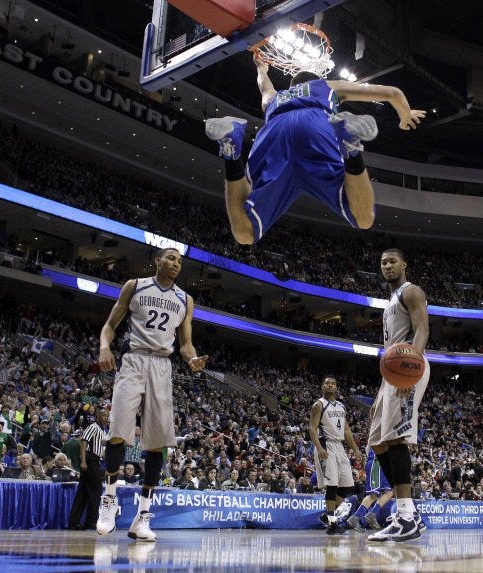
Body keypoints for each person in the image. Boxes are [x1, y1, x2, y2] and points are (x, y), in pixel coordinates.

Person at [205, 56, 425, 245]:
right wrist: (406, 114)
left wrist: (261, 68)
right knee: (363, 218)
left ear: (292, 86)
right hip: (315, 125)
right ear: (316, 80)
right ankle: (351, 148)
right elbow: (392, 92)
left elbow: (264, 85)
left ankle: (231, 150)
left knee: (245, 233)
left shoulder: (275, 98)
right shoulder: (327, 87)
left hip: (274, 131)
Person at [95, 247, 208, 542]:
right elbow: (109, 325)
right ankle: (109, 501)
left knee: (157, 443)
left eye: (180, 261)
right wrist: (104, 347)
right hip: (133, 360)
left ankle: (143, 516)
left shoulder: (185, 299)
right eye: (171, 258)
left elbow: (185, 343)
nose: (176, 264)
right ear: (157, 261)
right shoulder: (135, 285)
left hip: (162, 365)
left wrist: (191, 359)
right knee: (118, 431)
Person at [366, 248, 430, 543]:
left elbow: (421, 330)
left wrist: (410, 369)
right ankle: (410, 513)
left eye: (393, 261)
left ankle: (404, 516)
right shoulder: (390, 300)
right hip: (392, 373)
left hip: (409, 365)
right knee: (377, 442)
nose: (388, 265)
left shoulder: (411, 291)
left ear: (404, 264)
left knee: (395, 438)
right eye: (383, 262)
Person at [308, 375, 363, 535]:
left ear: (336, 388)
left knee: (347, 486)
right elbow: (312, 428)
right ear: (322, 387)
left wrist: (355, 449)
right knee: (332, 486)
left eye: (333, 383)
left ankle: (327, 515)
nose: (330, 385)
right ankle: (332, 525)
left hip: (339, 446)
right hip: (326, 444)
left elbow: (346, 431)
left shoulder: (341, 406)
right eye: (327, 383)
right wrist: (318, 447)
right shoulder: (318, 405)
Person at [68, 408, 108, 530]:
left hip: (96, 460)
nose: (106, 417)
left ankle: (74, 522)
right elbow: (83, 442)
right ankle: (91, 522)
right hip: (90, 459)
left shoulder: (103, 430)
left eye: (107, 416)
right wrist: (84, 461)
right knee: (97, 490)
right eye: (103, 415)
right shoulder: (93, 427)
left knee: (83, 493)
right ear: (97, 415)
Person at [347, 447, 395, 532]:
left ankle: (372, 514)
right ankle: (355, 517)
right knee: (373, 495)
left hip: (385, 464)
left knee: (389, 492)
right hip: (376, 462)